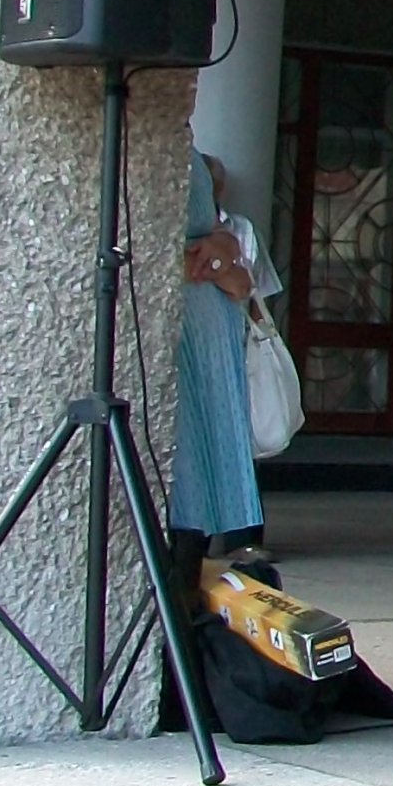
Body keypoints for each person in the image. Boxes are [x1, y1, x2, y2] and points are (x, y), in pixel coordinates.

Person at [169, 153, 269, 563]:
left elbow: (239, 275)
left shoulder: (188, 159)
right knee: (182, 480)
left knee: (195, 493)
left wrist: (223, 251)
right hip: (180, 328)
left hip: (206, 328)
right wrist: (217, 256)